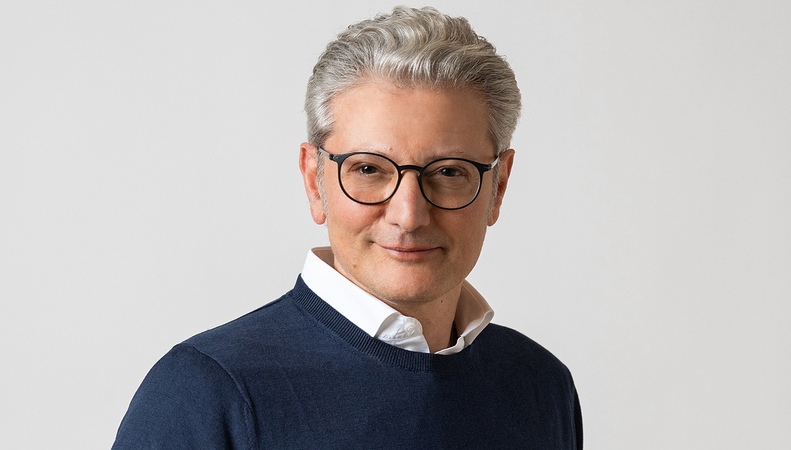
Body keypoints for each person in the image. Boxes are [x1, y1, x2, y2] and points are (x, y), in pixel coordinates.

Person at [113, 6, 582, 449]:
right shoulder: (206, 392)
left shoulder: (540, 385)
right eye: (368, 169)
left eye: (448, 171)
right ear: (314, 181)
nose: (408, 215)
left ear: (499, 186)